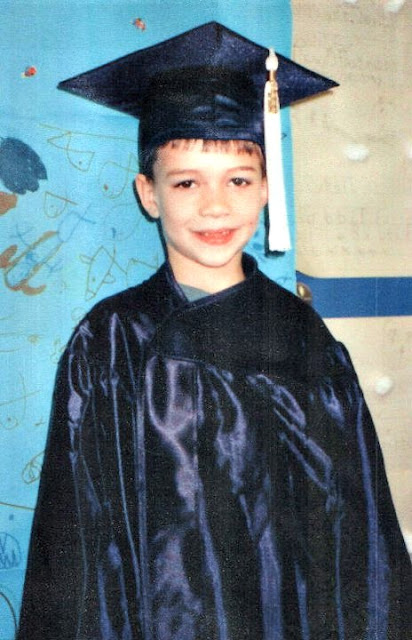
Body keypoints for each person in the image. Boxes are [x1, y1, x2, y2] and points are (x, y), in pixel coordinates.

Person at [17, 22, 411, 640]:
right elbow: (74, 542)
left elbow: (359, 539)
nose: (215, 206)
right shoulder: (111, 341)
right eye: (185, 182)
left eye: (238, 180)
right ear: (148, 194)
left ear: (266, 190)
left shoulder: (304, 340)